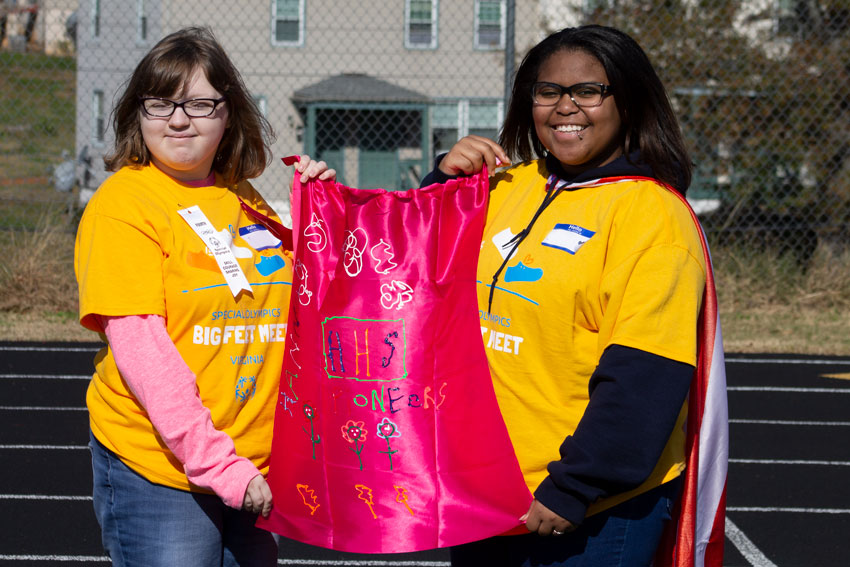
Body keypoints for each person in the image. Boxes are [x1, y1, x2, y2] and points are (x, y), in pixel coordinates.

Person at [421, 25, 709, 566]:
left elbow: (646, 373)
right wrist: (440, 187)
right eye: (548, 90)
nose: (565, 106)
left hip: (585, 509)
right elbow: (407, 278)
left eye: (588, 91)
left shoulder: (653, 216)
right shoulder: (505, 185)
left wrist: (576, 486)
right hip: (479, 491)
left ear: (628, 100)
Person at [74, 27, 333, 567]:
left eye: (199, 103)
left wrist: (322, 211)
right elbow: (144, 353)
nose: (177, 119)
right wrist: (218, 464)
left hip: (253, 459)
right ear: (137, 113)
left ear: (229, 114)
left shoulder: (242, 195)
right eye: (160, 103)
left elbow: (306, 300)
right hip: (163, 465)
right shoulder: (124, 205)